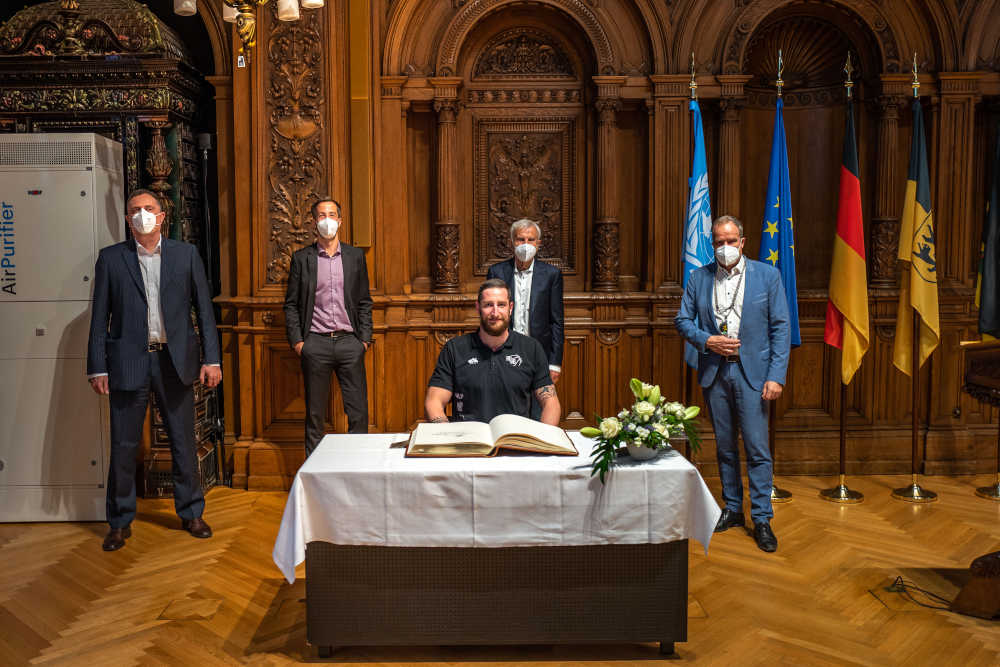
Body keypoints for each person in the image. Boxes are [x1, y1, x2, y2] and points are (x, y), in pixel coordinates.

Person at [87, 188, 221, 552]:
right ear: (127, 218)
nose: (142, 215)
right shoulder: (111, 259)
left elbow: (204, 312)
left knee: (182, 441)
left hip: (174, 360)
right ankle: (118, 522)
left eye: (149, 209)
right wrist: (97, 367)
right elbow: (99, 319)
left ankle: (191, 512)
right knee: (124, 445)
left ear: (162, 217)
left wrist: (212, 359)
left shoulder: (186, 255)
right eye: (135, 210)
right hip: (128, 362)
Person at [674, 215, 790, 553]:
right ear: (713, 244)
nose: (724, 248)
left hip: (753, 374)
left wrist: (775, 375)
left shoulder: (768, 276)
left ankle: (762, 517)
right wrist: (707, 341)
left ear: (743, 241)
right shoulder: (699, 277)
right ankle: (733, 509)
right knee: (724, 446)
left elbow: (781, 329)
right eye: (718, 242)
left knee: (757, 448)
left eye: (730, 241)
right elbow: (682, 320)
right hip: (715, 372)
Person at [284, 197, 373, 457]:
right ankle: (314, 475)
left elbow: (364, 301)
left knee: (357, 412)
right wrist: (299, 343)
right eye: (322, 215)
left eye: (332, 215)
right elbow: (291, 304)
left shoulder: (355, 257)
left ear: (340, 221)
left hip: (350, 343)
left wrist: (363, 340)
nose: (327, 220)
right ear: (314, 223)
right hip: (316, 344)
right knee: (314, 415)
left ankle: (359, 467)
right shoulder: (302, 259)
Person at [425, 278, 560, 425]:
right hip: (468, 441)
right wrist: (445, 431)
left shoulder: (531, 348)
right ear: (478, 308)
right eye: (488, 305)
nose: (495, 313)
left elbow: (550, 403)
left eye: (501, 305)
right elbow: (434, 400)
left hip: (515, 439)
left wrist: (545, 439)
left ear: (510, 307)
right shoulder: (454, 348)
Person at [486, 219, 564, 418]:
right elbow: (490, 315)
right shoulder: (497, 272)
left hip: (538, 352)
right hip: (504, 350)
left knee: (538, 410)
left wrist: (554, 363)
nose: (526, 244)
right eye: (521, 239)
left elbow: (556, 321)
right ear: (512, 242)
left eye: (531, 239)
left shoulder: (551, 275)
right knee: (505, 407)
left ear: (538, 243)